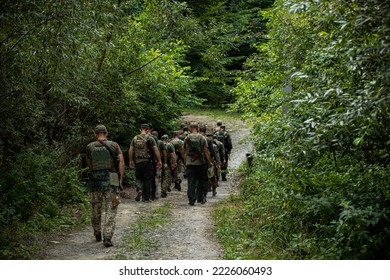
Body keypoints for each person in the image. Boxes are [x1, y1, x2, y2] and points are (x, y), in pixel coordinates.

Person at [85, 124, 124, 247]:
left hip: (95, 180)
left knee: (95, 208)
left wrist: (93, 175)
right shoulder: (114, 145)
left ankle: (97, 232)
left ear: (95, 134)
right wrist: (120, 179)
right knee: (111, 208)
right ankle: (107, 236)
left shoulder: (89, 147)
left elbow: (89, 165)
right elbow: (121, 162)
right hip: (111, 179)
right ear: (106, 133)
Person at [129, 124, 162, 202]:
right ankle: (146, 198)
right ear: (148, 130)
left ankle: (139, 189)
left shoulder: (135, 138)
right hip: (148, 161)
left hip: (138, 162)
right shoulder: (150, 138)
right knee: (147, 179)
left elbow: (131, 150)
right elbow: (156, 150)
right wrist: (159, 160)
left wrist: (131, 160)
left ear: (140, 129)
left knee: (139, 177)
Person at [182, 123, 212, 206]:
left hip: (189, 163)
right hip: (200, 163)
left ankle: (191, 200)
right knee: (200, 181)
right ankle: (200, 197)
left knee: (191, 181)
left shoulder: (186, 138)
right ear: (197, 128)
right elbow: (206, 151)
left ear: (190, 128)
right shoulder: (202, 138)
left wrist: (185, 161)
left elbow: (183, 151)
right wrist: (209, 162)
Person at [151, 129, 166, 200]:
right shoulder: (160, 142)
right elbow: (164, 153)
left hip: (150, 161)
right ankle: (156, 193)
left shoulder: (148, 140)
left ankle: (149, 192)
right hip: (158, 162)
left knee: (150, 177)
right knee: (157, 177)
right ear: (157, 136)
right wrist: (164, 162)